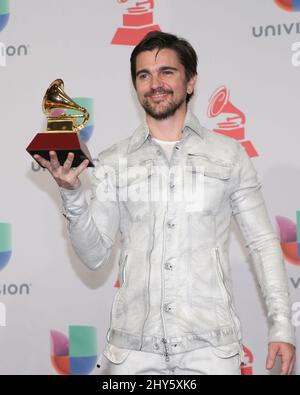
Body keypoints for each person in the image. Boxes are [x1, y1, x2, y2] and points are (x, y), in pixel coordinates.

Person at [34, 31, 296, 375]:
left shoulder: (229, 155)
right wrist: (71, 194)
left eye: (166, 72)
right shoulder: (113, 160)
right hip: (132, 353)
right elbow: (94, 255)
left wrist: (281, 326)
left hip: (211, 351)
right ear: (136, 87)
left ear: (191, 82)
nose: (155, 83)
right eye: (144, 75)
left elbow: (262, 243)